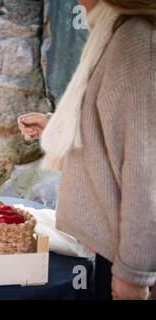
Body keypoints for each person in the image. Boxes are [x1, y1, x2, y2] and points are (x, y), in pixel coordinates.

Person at [17, 0, 155, 300]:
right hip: (113, 250)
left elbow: (145, 171)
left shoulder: (135, 39)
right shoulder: (118, 31)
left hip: (123, 258)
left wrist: (134, 274)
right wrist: (57, 127)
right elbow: (112, 134)